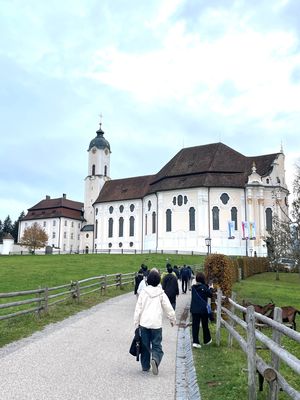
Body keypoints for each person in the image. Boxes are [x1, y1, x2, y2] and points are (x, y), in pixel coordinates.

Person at [133, 269, 176, 375]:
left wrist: (136, 323)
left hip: (144, 323)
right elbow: (168, 307)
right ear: (158, 281)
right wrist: (172, 320)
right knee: (157, 345)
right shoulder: (161, 293)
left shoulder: (143, 293)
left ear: (147, 281)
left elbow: (138, 309)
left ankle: (145, 366)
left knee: (145, 345)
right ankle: (155, 359)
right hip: (156, 324)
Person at [190, 272, 213, 348]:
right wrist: (211, 287)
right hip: (203, 310)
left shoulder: (193, 288)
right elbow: (210, 294)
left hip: (195, 309)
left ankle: (195, 342)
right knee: (205, 325)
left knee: (195, 325)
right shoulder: (204, 287)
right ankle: (207, 340)